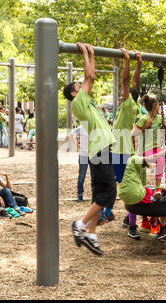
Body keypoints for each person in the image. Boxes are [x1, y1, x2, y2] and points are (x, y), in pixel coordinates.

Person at [63, 43, 116, 256]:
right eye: (79, 85)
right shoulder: (78, 104)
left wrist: (92, 54)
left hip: (99, 149)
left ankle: (91, 234)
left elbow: (90, 77)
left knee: (98, 194)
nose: (83, 85)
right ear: (75, 93)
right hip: (100, 149)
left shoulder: (85, 101)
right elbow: (89, 77)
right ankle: (81, 223)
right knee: (110, 192)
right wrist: (85, 53)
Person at [133, 94, 166, 238]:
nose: (158, 108)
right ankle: (157, 188)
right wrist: (144, 127)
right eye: (157, 106)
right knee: (158, 161)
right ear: (153, 107)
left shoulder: (160, 117)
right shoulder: (144, 118)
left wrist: (164, 126)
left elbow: (164, 128)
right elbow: (132, 133)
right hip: (148, 149)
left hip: (159, 148)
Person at [111, 48, 142, 230]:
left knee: (125, 185)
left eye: (125, 93)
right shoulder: (133, 104)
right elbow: (134, 82)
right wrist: (139, 62)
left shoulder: (129, 103)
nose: (122, 94)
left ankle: (132, 217)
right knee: (126, 184)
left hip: (121, 151)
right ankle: (130, 217)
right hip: (123, 150)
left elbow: (126, 81)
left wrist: (127, 59)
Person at [118, 151, 166, 241]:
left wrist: (148, 165)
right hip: (135, 193)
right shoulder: (133, 158)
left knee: (139, 196)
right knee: (150, 196)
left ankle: (133, 227)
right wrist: (161, 153)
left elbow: (144, 162)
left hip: (123, 194)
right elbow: (146, 159)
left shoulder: (128, 167)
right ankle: (155, 219)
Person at [68, 124, 89, 202]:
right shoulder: (81, 127)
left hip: (94, 155)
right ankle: (80, 194)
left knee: (95, 176)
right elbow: (70, 135)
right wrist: (76, 145)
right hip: (83, 155)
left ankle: (95, 194)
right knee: (81, 176)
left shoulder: (95, 126)